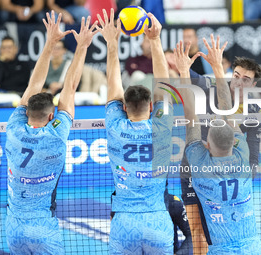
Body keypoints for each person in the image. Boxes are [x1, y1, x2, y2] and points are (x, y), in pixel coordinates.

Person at [5, 11, 97, 254]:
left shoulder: (13, 128)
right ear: (50, 117)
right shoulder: (56, 135)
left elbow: (32, 86)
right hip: (44, 228)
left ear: (26, 112)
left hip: (13, 228)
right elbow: (71, 86)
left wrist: (50, 42)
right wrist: (82, 47)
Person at [175, 36, 261, 254]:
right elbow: (190, 79)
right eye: (236, 76)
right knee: (196, 230)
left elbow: (252, 154)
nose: (239, 82)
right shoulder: (209, 86)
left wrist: (238, 180)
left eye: (245, 79)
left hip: (225, 177)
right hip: (193, 167)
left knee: (219, 231)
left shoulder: (254, 112)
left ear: (253, 85)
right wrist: (180, 66)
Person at [97, 8, 174, 254]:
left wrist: (112, 43)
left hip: (124, 224)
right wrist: (155, 40)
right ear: (152, 106)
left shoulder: (116, 126)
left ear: (123, 107)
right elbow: (164, 84)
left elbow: (113, 84)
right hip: (158, 222)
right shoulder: (161, 124)